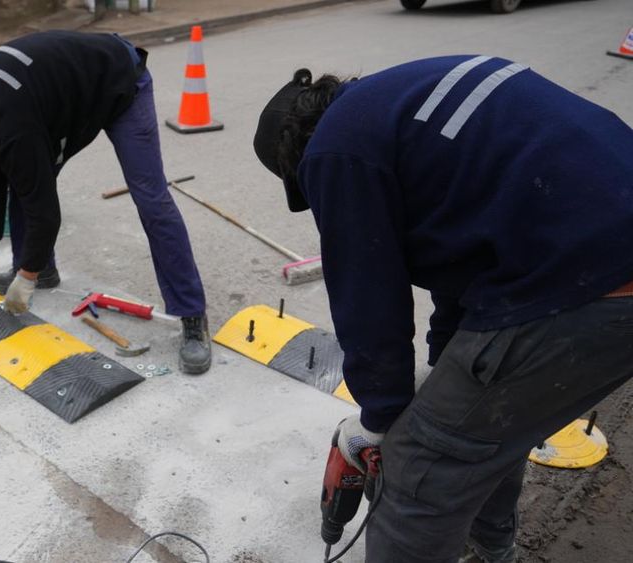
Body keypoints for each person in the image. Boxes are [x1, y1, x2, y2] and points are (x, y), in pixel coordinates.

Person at [253, 56, 633, 562]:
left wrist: (382, 418)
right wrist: (442, 368)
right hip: (593, 253)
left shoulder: (335, 150)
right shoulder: (406, 102)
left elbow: (368, 295)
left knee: (419, 472)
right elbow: (470, 261)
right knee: (488, 425)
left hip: (587, 279)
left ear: (296, 155)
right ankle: (493, 550)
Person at [0, 31, 211, 374]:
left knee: (150, 198)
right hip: (57, 104)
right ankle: (43, 269)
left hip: (119, 81)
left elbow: (44, 210)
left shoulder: (8, 128)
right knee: (18, 176)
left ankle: (191, 314)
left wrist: (25, 278)